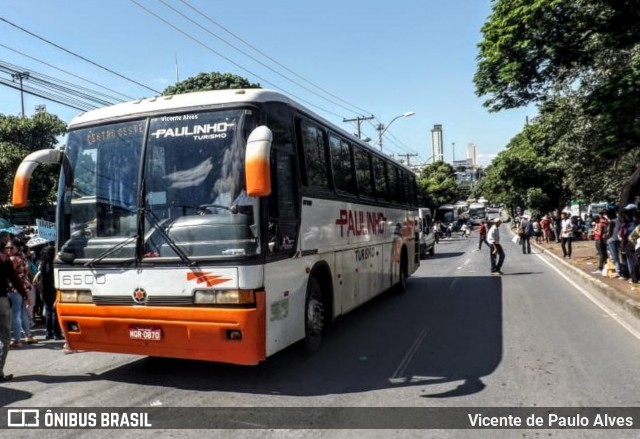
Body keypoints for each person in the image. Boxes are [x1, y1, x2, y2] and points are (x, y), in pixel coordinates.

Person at [0, 241, 30, 381]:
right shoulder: (3, 259)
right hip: (1, 300)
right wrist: (25, 295)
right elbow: (15, 279)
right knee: (5, 337)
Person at [33, 245, 63, 340]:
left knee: (48, 311)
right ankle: (57, 333)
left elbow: (37, 279)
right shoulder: (55, 264)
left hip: (45, 289)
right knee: (55, 311)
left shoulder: (41, 264)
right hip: (54, 289)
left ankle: (48, 333)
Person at [591, 210, 610, 275]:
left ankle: (600, 268)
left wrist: (594, 231)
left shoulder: (599, 224)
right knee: (604, 253)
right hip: (600, 239)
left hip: (599, 239)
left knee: (601, 254)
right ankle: (606, 266)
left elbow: (599, 233)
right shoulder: (601, 223)